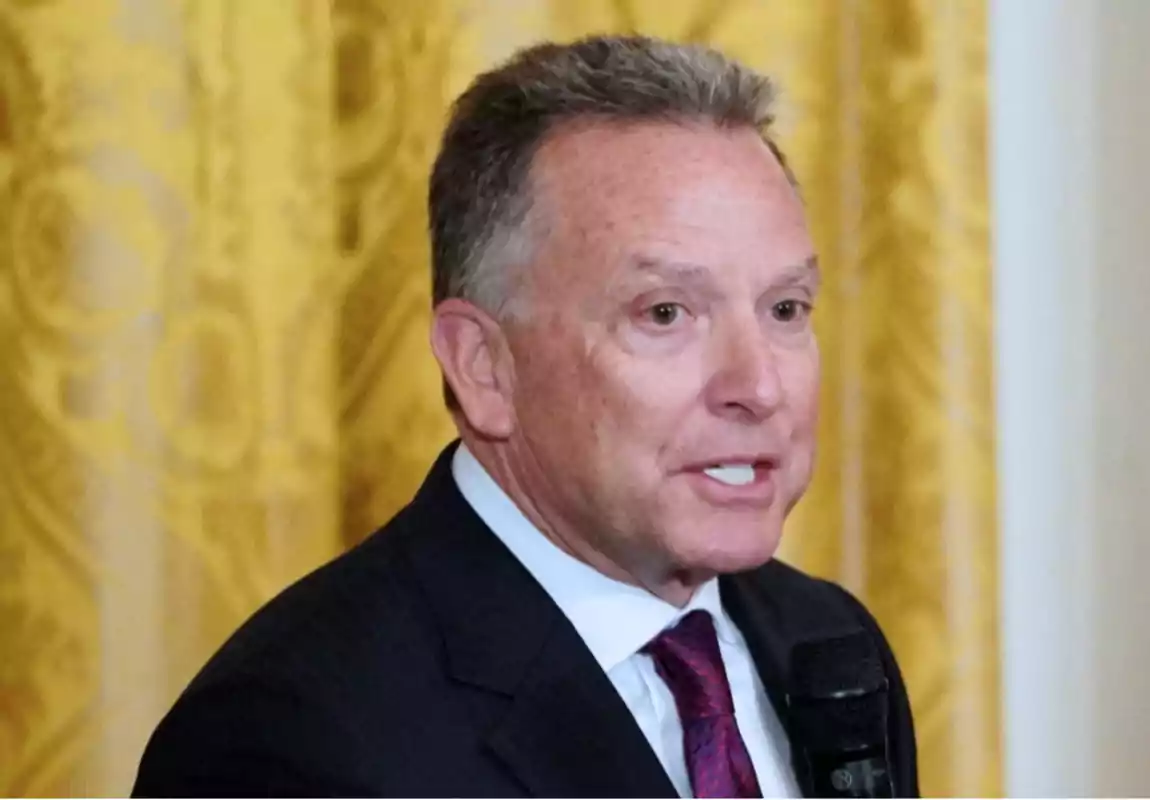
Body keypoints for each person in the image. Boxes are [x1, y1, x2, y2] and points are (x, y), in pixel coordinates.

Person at [133, 34, 919, 798]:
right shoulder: (288, 740)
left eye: (785, 307)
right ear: (483, 367)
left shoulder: (828, 643)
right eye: (667, 313)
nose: (759, 385)